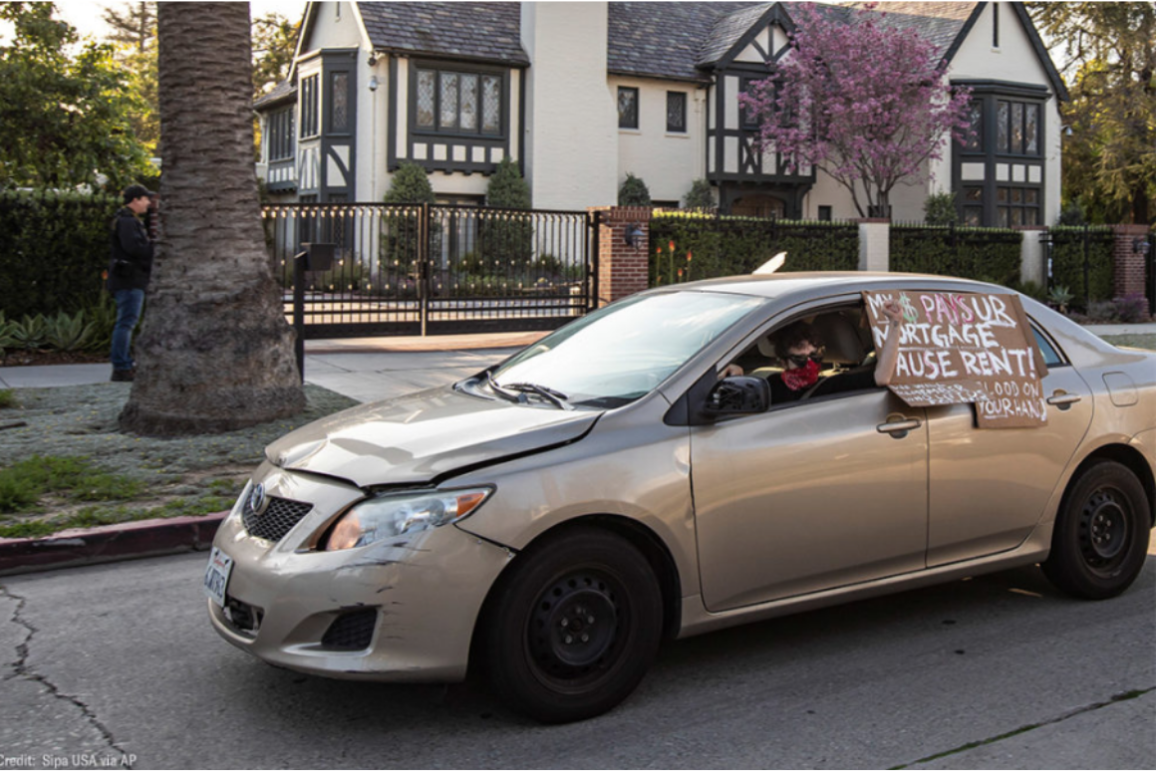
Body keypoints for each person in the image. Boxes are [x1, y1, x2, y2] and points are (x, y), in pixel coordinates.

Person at [723, 299, 905, 404]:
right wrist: (731, 375)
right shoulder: (768, 385)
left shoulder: (831, 386)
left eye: (815, 357)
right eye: (800, 359)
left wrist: (895, 324)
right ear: (783, 362)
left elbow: (882, 377)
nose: (809, 365)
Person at [107, 184, 155, 382]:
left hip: (128, 277)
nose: (148, 203)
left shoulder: (125, 219)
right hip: (129, 278)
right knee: (126, 322)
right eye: (145, 199)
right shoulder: (127, 221)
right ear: (135, 199)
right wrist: (153, 248)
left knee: (127, 322)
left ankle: (123, 364)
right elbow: (134, 248)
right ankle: (122, 366)